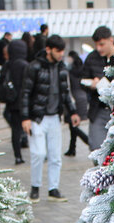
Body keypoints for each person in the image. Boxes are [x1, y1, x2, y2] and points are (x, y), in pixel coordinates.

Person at [21, 34, 79, 201]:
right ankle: (35, 187)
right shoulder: (34, 67)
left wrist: (73, 111)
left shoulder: (62, 68)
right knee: (38, 154)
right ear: (48, 49)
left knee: (55, 156)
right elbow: (25, 93)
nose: (61, 54)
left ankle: (53, 189)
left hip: (54, 117)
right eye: (58, 50)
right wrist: (25, 118)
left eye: (62, 51)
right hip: (37, 117)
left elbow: (65, 92)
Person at [82, 26, 114, 150]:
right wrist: (92, 85)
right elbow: (82, 80)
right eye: (96, 45)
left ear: (110, 40)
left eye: (102, 44)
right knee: (96, 146)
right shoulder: (92, 58)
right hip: (98, 108)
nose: (99, 48)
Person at [0, 39, 29, 165]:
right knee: (30, 127)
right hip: (24, 102)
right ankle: (36, 150)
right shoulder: (24, 65)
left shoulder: (7, 65)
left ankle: (18, 156)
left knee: (15, 130)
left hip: (12, 102)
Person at [65, 51, 90, 157]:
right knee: (73, 125)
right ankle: (72, 148)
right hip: (83, 98)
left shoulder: (69, 71)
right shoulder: (82, 69)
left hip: (74, 98)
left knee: (73, 125)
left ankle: (88, 141)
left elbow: (68, 87)